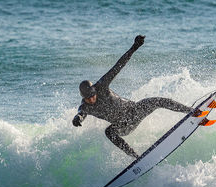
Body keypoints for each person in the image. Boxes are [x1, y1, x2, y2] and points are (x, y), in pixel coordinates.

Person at [72, 35, 200, 159]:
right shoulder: (85, 107)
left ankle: (191, 111)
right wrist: (78, 118)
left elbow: (118, 66)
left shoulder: (101, 86)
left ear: (94, 90)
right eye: (88, 98)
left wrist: (134, 47)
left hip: (134, 111)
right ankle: (135, 157)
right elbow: (81, 113)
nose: (92, 99)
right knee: (109, 132)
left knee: (157, 101)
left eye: (93, 96)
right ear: (84, 98)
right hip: (122, 125)